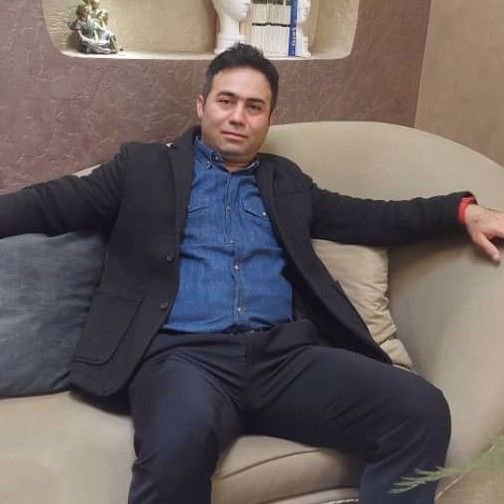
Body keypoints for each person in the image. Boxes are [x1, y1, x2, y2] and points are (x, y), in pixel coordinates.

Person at [1, 44, 503, 504]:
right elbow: (49, 205)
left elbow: (372, 217)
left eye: (254, 106)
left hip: (284, 358)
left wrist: (462, 212)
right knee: (176, 444)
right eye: (226, 101)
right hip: (182, 359)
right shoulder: (143, 168)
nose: (238, 116)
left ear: (269, 118)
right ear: (202, 105)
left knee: (419, 409)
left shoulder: (286, 183)